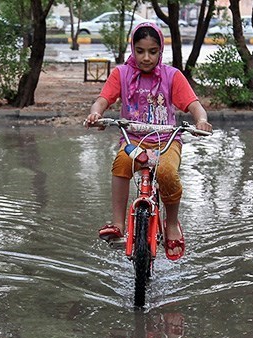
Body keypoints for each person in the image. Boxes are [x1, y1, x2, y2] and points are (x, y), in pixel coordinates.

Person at [84, 21, 212, 261]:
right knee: (121, 163)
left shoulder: (172, 76)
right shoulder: (120, 74)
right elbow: (102, 100)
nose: (146, 58)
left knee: (166, 173)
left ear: (160, 51)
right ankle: (118, 224)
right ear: (132, 49)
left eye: (152, 52)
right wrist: (96, 114)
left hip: (166, 141)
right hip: (133, 141)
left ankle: (172, 224)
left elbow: (194, 105)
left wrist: (201, 120)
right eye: (140, 51)